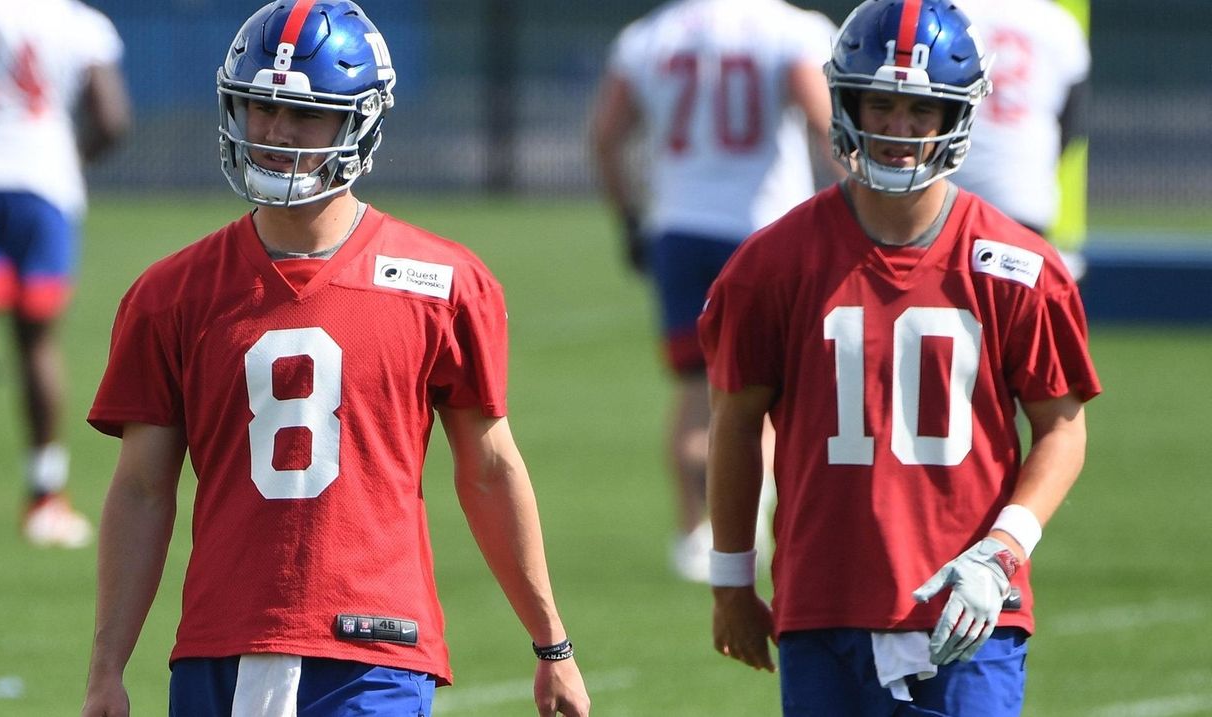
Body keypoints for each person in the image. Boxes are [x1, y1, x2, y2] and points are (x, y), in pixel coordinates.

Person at [78, 2, 590, 716]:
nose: (276, 133)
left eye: (306, 115)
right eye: (260, 108)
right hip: (220, 642)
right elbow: (140, 488)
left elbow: (489, 468)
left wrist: (551, 643)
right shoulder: (171, 294)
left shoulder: (442, 283)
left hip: (376, 647)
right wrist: (106, 668)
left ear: (362, 120)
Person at [699, 0, 1101, 713]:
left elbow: (1063, 428)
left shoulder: (1014, 264)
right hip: (824, 600)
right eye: (880, 104)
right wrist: (731, 580)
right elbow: (735, 422)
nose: (898, 128)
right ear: (847, 102)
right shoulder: (773, 263)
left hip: (972, 604)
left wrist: (1005, 547)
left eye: (921, 109)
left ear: (956, 117)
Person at [589, 0, 838, 582]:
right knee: (766, 390)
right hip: (764, 231)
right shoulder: (791, 28)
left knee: (696, 389)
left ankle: (691, 533)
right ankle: (747, 524)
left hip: (677, 229)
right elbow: (823, 121)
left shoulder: (650, 34)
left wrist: (629, 217)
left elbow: (606, 136)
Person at [0, 0, 131, 546]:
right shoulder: (75, 22)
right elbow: (111, 117)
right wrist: (69, 158)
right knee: (37, 341)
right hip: (42, 183)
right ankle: (46, 496)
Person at [950, 0, 1091, 280]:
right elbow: (1071, 125)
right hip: (1024, 206)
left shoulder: (941, 12)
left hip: (945, 207)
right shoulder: (1059, 24)